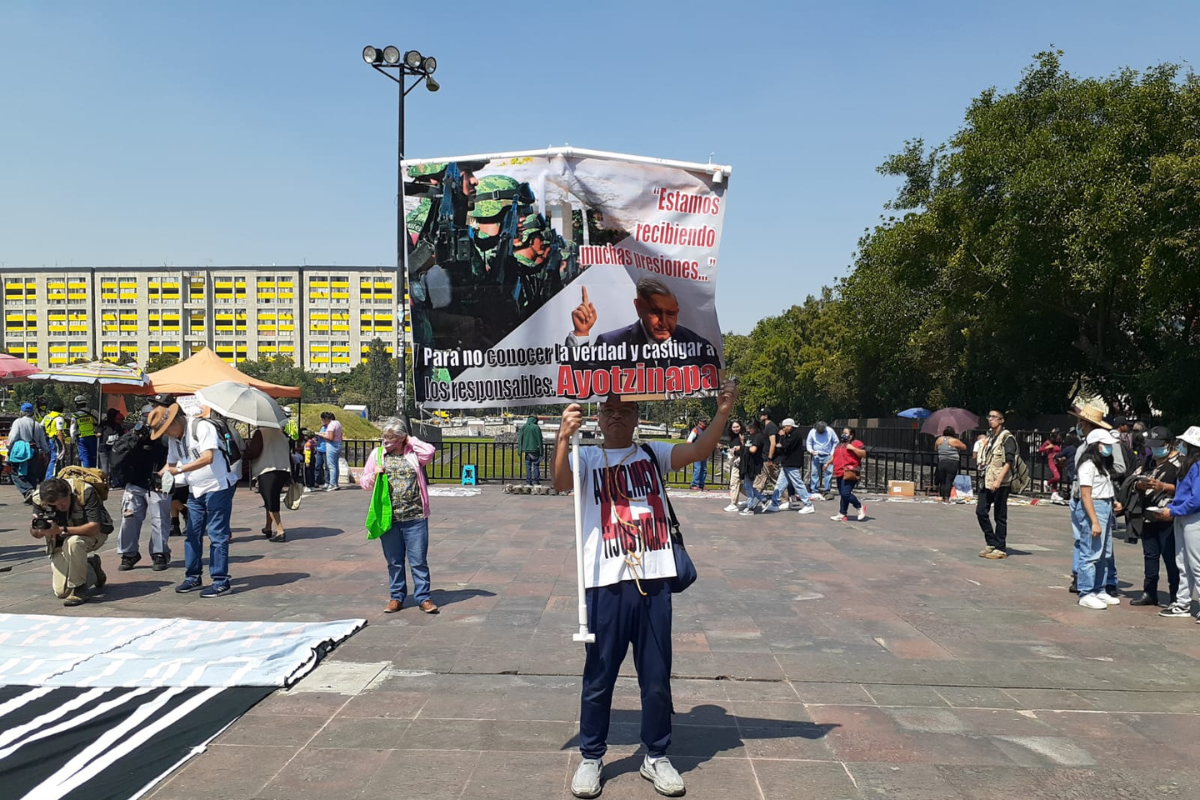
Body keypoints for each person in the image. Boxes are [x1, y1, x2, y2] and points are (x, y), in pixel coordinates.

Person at [553, 380, 737, 799]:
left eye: (626, 410)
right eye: (609, 410)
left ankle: (656, 754)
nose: (617, 415)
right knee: (599, 677)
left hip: (652, 580)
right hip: (604, 582)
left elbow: (699, 451)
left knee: (655, 678)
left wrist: (722, 413)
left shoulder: (652, 454)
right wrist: (563, 437)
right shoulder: (585, 456)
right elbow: (561, 483)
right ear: (598, 418)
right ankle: (591, 756)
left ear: (638, 418)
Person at [153, 402, 237, 598]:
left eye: (167, 430)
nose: (167, 435)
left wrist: (180, 470)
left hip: (217, 487)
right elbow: (171, 463)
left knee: (217, 534)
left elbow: (208, 457)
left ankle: (220, 580)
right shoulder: (175, 439)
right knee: (192, 534)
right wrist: (161, 476)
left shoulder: (202, 427)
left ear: (175, 421)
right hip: (195, 490)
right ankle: (193, 576)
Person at [359, 417, 439, 614]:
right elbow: (364, 483)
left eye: (393, 437)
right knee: (394, 561)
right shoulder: (378, 455)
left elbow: (429, 451)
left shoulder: (413, 453)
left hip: (415, 516)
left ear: (402, 438)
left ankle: (423, 597)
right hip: (389, 517)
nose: (388, 441)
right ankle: (397, 596)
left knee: (418, 560)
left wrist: (411, 440)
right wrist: (374, 474)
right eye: (385, 437)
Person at [564, 277, 720, 369]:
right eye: (655, 312)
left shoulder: (699, 347)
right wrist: (581, 335)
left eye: (671, 313)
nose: (663, 322)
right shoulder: (611, 343)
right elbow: (582, 379)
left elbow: (713, 382)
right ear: (638, 307)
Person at [29, 476, 114, 607]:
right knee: (62, 592)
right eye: (53, 506)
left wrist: (61, 530)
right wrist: (39, 528)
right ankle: (92, 566)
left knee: (74, 542)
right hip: (59, 543)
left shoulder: (85, 492)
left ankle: (79, 589)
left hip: (92, 535)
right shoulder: (39, 498)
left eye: (62, 504)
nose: (59, 507)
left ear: (69, 492)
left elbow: (94, 527)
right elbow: (35, 534)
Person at [1129, 426, 1181, 607]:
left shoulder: (1180, 463)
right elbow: (1135, 477)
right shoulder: (1150, 460)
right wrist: (1139, 486)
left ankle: (1176, 595)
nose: (1155, 450)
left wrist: (1163, 486)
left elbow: (1186, 490)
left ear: (1169, 444)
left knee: (1171, 557)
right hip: (1148, 514)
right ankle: (1149, 591)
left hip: (1169, 515)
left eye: (1159, 446)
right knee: (1150, 555)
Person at [1152, 426, 1200, 619]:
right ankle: (1182, 603)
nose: (1181, 446)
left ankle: (1184, 603)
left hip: (1193, 518)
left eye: (1184, 443)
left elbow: (1196, 499)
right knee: (1182, 562)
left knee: (1196, 563)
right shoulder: (1189, 465)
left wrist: (1174, 510)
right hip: (1183, 516)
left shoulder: (1197, 466)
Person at [111, 418, 172, 572]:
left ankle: (160, 553)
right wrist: (136, 437)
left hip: (158, 482)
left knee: (160, 520)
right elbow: (119, 455)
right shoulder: (132, 438)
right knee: (128, 518)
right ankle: (128, 553)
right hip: (135, 482)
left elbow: (175, 458)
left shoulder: (166, 437)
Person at [1075, 429, 1123, 609]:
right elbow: (1086, 495)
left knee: (1105, 553)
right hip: (1094, 508)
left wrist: (1114, 502)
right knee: (1091, 552)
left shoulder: (1101, 465)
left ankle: (1099, 589)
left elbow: (1105, 488)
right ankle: (1086, 592)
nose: (1109, 448)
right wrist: (1094, 520)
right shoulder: (1087, 465)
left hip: (1105, 507)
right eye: (1106, 444)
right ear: (1096, 445)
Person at [976, 410, 1016, 560]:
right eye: (989, 417)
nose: (990, 420)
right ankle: (991, 542)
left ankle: (1000, 547)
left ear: (1001, 420)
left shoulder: (1007, 438)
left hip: (1001, 481)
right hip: (987, 479)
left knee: (1000, 515)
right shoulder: (990, 437)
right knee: (981, 511)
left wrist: (999, 480)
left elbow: (1009, 461)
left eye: (994, 417)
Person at [248, 425, 293, 542]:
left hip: (267, 469)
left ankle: (280, 530)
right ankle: (268, 526)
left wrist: (245, 452)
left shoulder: (260, 433)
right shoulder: (282, 435)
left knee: (270, 500)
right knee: (271, 498)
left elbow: (254, 452)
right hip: (283, 469)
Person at [768, 418, 813, 514]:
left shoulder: (796, 434)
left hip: (792, 463)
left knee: (798, 483)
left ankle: (808, 504)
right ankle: (774, 503)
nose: (783, 429)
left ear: (790, 426)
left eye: (784, 427)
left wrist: (782, 437)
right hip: (787, 463)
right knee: (780, 484)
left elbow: (786, 445)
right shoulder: (790, 434)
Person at [6, 402, 42, 501]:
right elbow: (42, 441)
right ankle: (34, 496)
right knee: (32, 474)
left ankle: (28, 490)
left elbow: (13, 437)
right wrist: (45, 452)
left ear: (21, 412)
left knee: (16, 474)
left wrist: (9, 447)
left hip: (21, 452)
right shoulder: (37, 424)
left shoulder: (18, 422)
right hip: (34, 450)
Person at [830, 427, 867, 522]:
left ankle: (859, 506)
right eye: (843, 432)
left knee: (845, 493)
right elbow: (835, 456)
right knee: (843, 494)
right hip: (839, 471)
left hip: (850, 471)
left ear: (851, 435)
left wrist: (853, 448)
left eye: (846, 433)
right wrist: (827, 463)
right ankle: (842, 513)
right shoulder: (839, 445)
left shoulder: (856, 443)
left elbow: (863, 454)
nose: (843, 434)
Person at [738, 419, 768, 515]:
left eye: (750, 428)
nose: (749, 430)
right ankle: (763, 499)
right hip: (747, 463)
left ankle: (750, 507)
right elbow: (747, 447)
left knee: (749, 485)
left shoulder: (758, 437)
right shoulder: (751, 436)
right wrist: (743, 442)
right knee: (748, 485)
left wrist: (746, 447)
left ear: (754, 428)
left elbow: (753, 449)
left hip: (753, 464)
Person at [935, 427, 968, 503]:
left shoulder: (939, 440)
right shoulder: (954, 440)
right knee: (949, 480)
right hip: (952, 461)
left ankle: (943, 496)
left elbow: (936, 448)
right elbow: (964, 447)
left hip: (941, 461)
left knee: (943, 480)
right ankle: (947, 497)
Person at [806, 421, 836, 496]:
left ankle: (827, 490)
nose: (820, 432)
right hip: (816, 455)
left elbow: (836, 441)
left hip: (827, 455)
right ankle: (814, 490)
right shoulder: (812, 432)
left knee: (828, 473)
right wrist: (811, 451)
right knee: (814, 473)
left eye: (822, 431)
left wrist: (832, 453)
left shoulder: (830, 431)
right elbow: (808, 443)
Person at [70, 395, 99, 469]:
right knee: (94, 456)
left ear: (76, 404)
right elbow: (99, 422)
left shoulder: (75, 416)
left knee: (84, 457)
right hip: (93, 437)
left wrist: (72, 440)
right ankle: (94, 473)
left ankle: (86, 474)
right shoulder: (93, 412)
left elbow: (72, 430)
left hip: (82, 439)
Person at [42, 397, 67, 479]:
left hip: (49, 439)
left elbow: (40, 426)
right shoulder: (59, 418)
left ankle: (54, 476)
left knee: (53, 458)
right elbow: (59, 432)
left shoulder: (47, 417)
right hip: (56, 440)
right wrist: (63, 445)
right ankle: (50, 477)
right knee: (56, 458)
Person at [318, 411, 344, 490]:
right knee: (335, 465)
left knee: (331, 465)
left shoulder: (331, 425)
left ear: (326, 419)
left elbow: (330, 437)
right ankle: (335, 483)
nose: (322, 421)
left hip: (332, 445)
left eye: (323, 420)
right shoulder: (338, 423)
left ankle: (332, 484)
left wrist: (320, 434)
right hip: (338, 444)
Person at [723, 420, 745, 512]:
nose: (736, 429)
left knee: (734, 482)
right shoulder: (732, 438)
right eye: (734, 427)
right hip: (734, 460)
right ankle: (756, 497)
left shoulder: (743, 436)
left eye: (737, 426)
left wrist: (736, 450)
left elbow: (745, 448)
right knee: (739, 485)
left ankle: (733, 503)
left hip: (740, 461)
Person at [97, 408, 125, 480]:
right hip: (115, 448)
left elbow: (99, 434)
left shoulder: (103, 424)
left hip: (104, 446)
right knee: (114, 465)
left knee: (104, 466)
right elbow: (122, 435)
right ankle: (114, 481)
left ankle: (105, 481)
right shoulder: (117, 425)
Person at [1039, 432, 1064, 503]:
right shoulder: (1048, 442)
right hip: (1052, 460)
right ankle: (1047, 483)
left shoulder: (1058, 444)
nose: (1059, 438)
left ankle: (1054, 493)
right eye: (1058, 436)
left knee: (1057, 479)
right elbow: (1040, 449)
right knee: (1057, 476)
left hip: (1058, 461)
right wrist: (1047, 447)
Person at [520, 415, 544, 486]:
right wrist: (541, 451)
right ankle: (536, 482)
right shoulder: (536, 427)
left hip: (527, 451)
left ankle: (528, 482)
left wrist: (520, 450)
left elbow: (520, 439)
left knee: (528, 467)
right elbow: (540, 440)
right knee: (536, 466)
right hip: (535, 450)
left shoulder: (524, 427)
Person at [686, 420, 708, 490]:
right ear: (700, 422)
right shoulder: (695, 430)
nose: (705, 423)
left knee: (703, 469)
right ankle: (694, 484)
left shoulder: (706, 430)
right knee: (697, 469)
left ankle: (701, 484)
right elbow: (689, 441)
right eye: (704, 421)